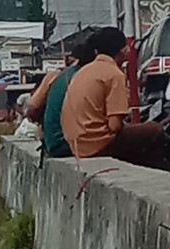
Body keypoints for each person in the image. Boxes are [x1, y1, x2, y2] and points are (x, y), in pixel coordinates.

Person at [61, 27, 165, 168]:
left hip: (77, 145)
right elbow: (114, 126)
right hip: (97, 145)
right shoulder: (114, 74)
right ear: (123, 51)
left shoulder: (84, 71)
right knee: (156, 130)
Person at [41, 36, 97, 158]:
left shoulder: (61, 76)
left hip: (53, 142)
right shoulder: (87, 77)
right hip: (66, 144)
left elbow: (32, 109)